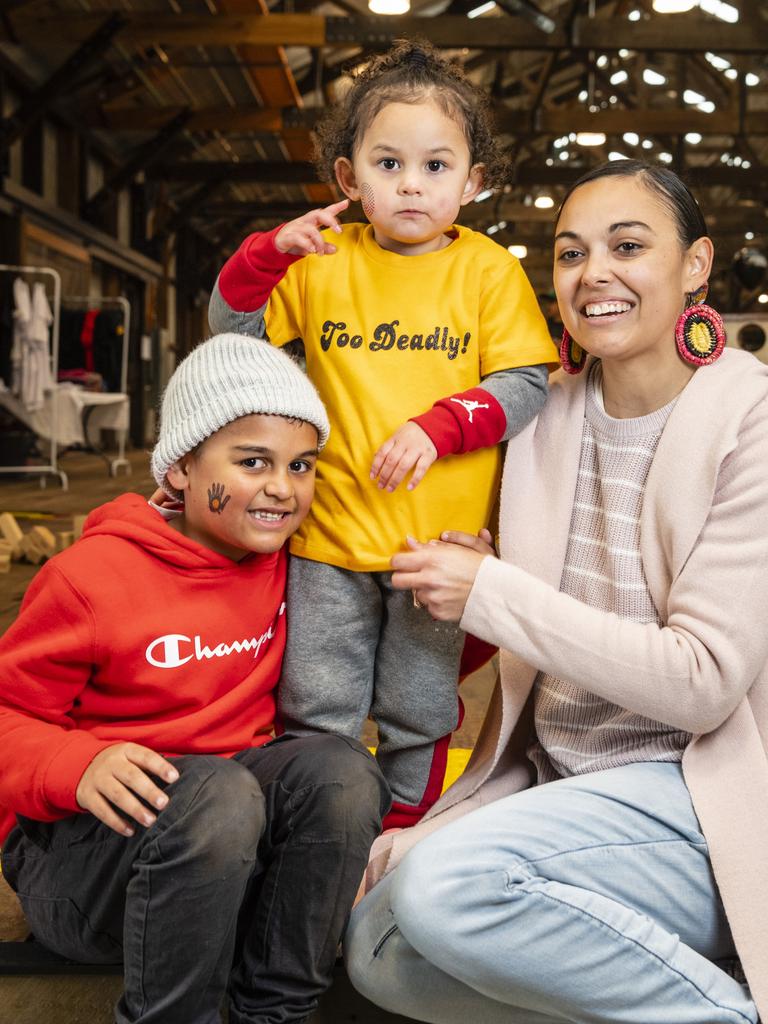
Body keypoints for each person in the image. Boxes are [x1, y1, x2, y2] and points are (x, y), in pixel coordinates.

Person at [343, 159, 768, 1024]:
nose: (593, 274)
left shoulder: (748, 417)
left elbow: (704, 681)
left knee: (445, 890)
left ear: (696, 265)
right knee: (377, 951)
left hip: (699, 800)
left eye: (628, 246)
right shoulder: (545, 417)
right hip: (559, 792)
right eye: (571, 253)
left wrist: (491, 590)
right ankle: (639, 979)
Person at [208, 40, 558, 827]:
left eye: (437, 167)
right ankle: (314, 836)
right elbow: (233, 329)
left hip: (437, 552)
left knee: (420, 705)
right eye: (388, 163)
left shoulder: (489, 272)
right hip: (327, 536)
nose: (411, 183)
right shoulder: (320, 260)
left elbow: (526, 384)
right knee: (317, 702)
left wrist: (441, 427)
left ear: (473, 182)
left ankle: (400, 839)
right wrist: (265, 256)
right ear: (349, 178)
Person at [0, 333, 390, 1024]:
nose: (282, 487)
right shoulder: (90, 580)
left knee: (341, 771)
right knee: (217, 793)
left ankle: (275, 1010)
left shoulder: (287, 560)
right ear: (180, 467)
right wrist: (75, 760)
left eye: (301, 465)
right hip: (83, 871)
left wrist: (451, 605)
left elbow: (393, 658)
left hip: (220, 848)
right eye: (252, 462)